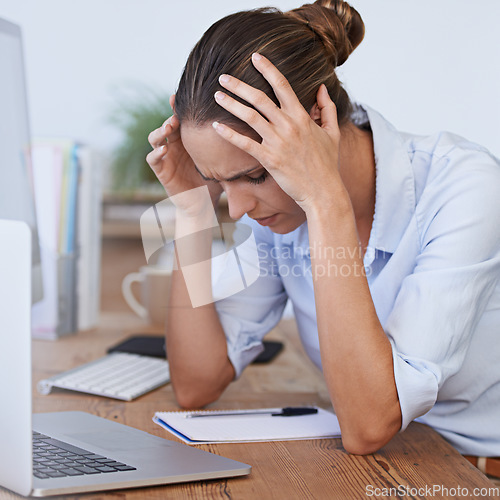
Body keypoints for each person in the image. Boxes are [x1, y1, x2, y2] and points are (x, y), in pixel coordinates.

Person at [146, 0, 500, 465]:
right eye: (219, 181)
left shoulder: (465, 187)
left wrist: (324, 199)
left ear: (316, 120)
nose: (237, 209)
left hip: (474, 474)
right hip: (391, 467)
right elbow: (195, 382)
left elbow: (369, 424)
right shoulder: (280, 215)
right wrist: (192, 206)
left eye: (253, 176)